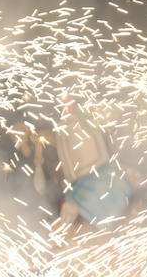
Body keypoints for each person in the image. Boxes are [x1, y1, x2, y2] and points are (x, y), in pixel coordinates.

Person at [53, 96, 133, 227]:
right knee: (80, 205)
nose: (67, 105)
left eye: (69, 101)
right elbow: (64, 155)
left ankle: (114, 228)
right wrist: (69, 178)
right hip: (79, 178)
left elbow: (113, 114)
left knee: (107, 196)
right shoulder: (61, 128)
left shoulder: (86, 117)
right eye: (63, 102)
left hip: (100, 169)